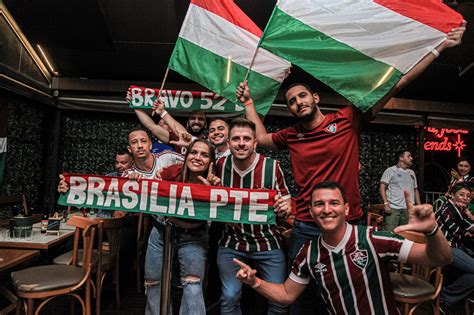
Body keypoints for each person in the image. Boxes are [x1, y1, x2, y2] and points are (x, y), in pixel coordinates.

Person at [237, 22, 465, 313]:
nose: (297, 103)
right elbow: (260, 138)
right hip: (307, 225)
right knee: (299, 300)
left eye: (302, 96)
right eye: (291, 101)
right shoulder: (291, 135)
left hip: (351, 225)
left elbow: (396, 83)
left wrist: (439, 47)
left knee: (351, 292)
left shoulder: (347, 120)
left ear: (315, 98)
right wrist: (248, 102)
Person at [233, 181, 452, 315]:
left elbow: (440, 258)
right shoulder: (308, 253)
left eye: (334, 203)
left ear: (346, 209)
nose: (326, 209)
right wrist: (255, 281)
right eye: (319, 204)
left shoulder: (372, 238)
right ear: (310, 212)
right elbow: (286, 295)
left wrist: (432, 230)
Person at [215, 118, 292, 315]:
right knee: (229, 298)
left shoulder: (272, 167)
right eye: (236, 138)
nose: (241, 143)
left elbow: (286, 201)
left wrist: (285, 206)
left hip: (268, 242)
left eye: (246, 138)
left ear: (255, 143)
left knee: (279, 301)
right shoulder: (219, 165)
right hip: (232, 241)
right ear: (228, 142)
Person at [145, 139, 220, 315]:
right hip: (162, 232)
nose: (197, 158)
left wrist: (211, 193)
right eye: (193, 152)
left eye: (204, 155)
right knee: (153, 282)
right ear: (186, 155)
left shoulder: (214, 183)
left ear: (211, 162)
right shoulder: (173, 172)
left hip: (193, 235)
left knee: (193, 286)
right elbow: (150, 190)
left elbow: (220, 212)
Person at [435, 182, 474, 312]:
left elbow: (465, 229)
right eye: (461, 194)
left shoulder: (457, 209)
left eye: (468, 196)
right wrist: (469, 216)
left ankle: (447, 298)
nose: (465, 198)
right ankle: (444, 298)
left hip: (451, 246)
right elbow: (470, 228)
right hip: (444, 248)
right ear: (452, 195)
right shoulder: (451, 208)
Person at [380, 149, 421, 232]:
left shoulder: (411, 172)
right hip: (393, 209)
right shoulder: (390, 170)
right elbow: (382, 187)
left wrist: (419, 206)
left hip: (408, 209)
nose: (411, 158)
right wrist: (386, 203)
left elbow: (415, 190)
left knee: (407, 236)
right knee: (390, 234)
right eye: (408, 156)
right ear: (401, 158)